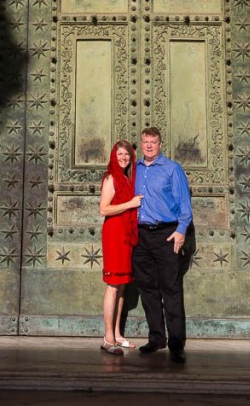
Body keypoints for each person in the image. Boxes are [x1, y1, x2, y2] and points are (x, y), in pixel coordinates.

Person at [133, 126, 192, 364]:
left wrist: (180, 230)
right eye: (145, 142)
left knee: (171, 289)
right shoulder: (134, 170)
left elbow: (184, 203)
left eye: (153, 142)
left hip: (166, 234)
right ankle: (157, 338)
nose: (149, 146)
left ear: (160, 144)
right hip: (140, 235)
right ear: (141, 143)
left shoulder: (172, 169)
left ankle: (176, 343)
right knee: (147, 289)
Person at [99, 139, 143, 355]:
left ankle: (117, 333)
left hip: (125, 235)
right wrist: (130, 204)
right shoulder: (111, 178)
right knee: (113, 284)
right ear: (113, 157)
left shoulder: (126, 178)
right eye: (120, 155)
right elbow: (103, 209)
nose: (124, 158)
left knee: (123, 284)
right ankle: (107, 338)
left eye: (127, 155)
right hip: (114, 234)